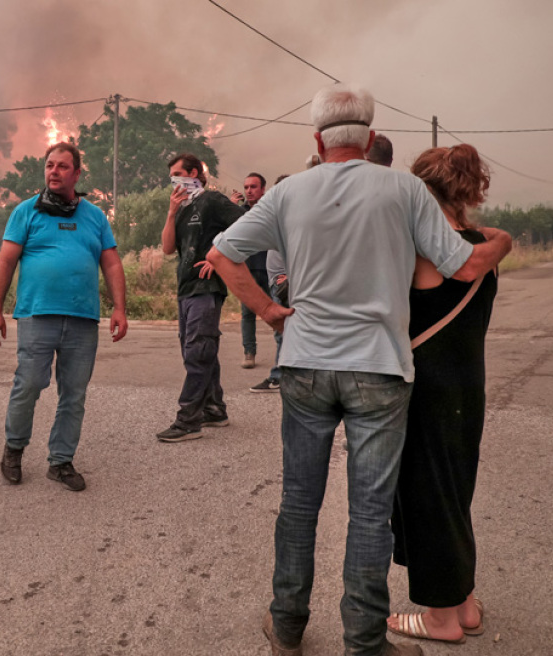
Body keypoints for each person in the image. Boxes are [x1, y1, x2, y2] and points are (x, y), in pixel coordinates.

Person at [206, 83, 512, 656]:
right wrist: (504, 242)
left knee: (299, 502)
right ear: (370, 140)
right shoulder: (404, 190)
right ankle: (365, 642)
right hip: (379, 369)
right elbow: (466, 267)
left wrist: (270, 311)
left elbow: (221, 254)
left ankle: (287, 626)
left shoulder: (288, 193)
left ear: (318, 141)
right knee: (370, 513)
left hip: (305, 365)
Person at [387, 145, 498, 645]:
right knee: (455, 491)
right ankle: (464, 603)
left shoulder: (423, 248)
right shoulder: (480, 246)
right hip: (468, 384)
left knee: (428, 496)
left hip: (427, 386)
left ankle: (440, 618)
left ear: (423, 191)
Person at [0, 142, 128, 492]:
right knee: (29, 384)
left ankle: (61, 461)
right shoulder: (26, 211)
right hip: (37, 315)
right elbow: (6, 261)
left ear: (76, 174)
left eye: (62, 166)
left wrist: (119, 308)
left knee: (74, 393)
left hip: (83, 318)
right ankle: (14, 450)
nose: (54, 171)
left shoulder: (94, 216)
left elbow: (111, 263)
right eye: (50, 165)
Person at [156, 153, 243, 442]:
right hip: (185, 289)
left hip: (207, 289)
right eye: (172, 177)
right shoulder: (182, 208)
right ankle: (214, 408)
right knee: (197, 350)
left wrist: (219, 258)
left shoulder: (213, 200)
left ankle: (188, 420)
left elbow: (246, 225)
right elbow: (168, 248)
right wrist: (171, 212)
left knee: (198, 352)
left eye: (179, 174)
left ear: (195, 173)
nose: (175, 181)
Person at [250, 174, 292, 394]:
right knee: (282, 331)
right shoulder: (280, 217)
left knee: (284, 330)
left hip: (285, 284)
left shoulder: (293, 219)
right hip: (276, 282)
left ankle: (280, 377)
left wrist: (291, 277)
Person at [230, 173, 272, 369]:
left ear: (263, 189)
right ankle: (249, 353)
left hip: (270, 268)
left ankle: (285, 355)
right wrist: (231, 206)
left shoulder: (270, 209)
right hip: (247, 269)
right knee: (247, 314)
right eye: (246, 187)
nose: (249, 190)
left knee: (278, 312)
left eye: (253, 187)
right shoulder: (239, 212)